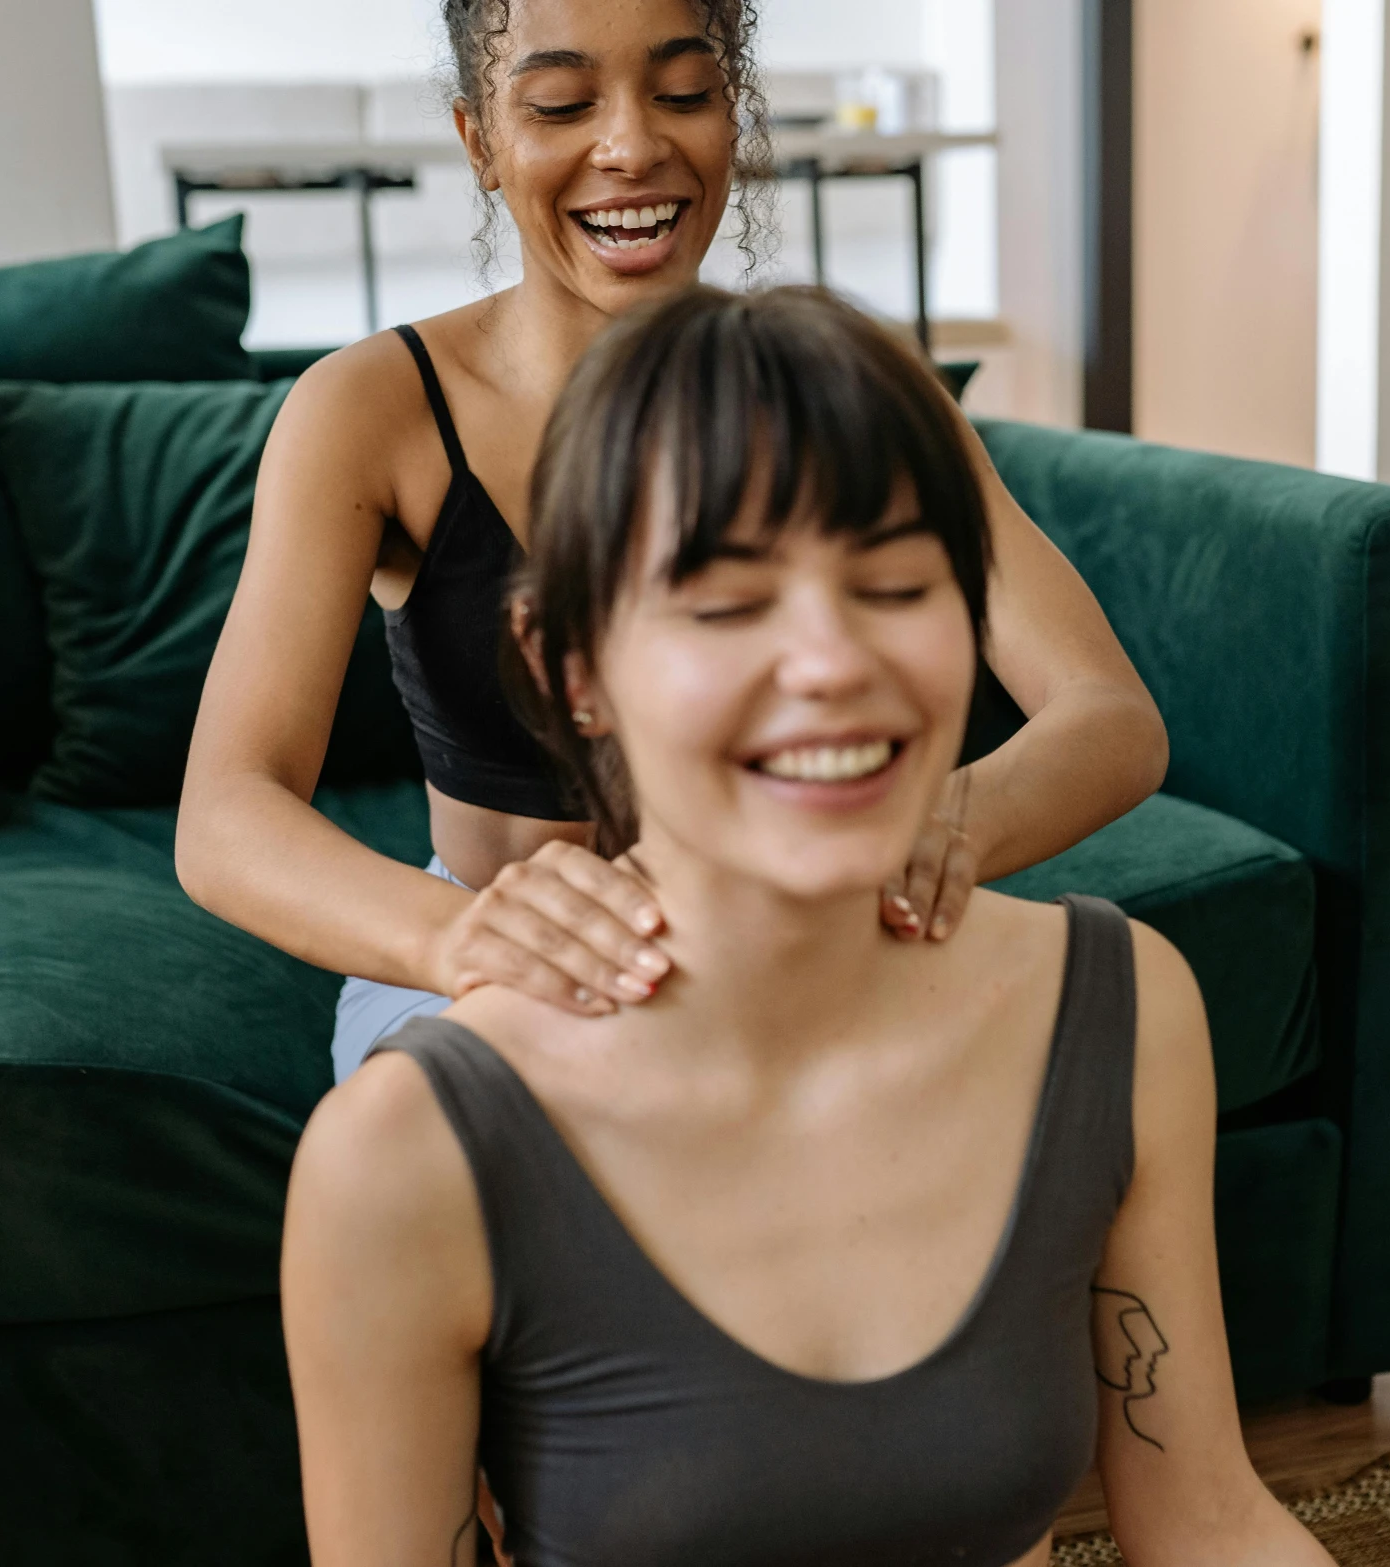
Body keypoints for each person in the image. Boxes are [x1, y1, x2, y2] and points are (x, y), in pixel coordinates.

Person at [281, 285, 1332, 1567]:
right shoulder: (403, 1157)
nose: (834, 661)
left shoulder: (1119, 1010)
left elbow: (1209, 1521)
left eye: (896, 582)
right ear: (572, 667)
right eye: (728, 603)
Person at [174, 0, 1167, 1082]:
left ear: (731, 119)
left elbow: (1109, 717)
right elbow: (229, 814)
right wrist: (461, 938)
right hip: (500, 980)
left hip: (800, 938)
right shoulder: (371, 411)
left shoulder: (846, 393)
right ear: (481, 143)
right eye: (561, 104)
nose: (632, 146)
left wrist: (941, 825)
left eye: (683, 94)